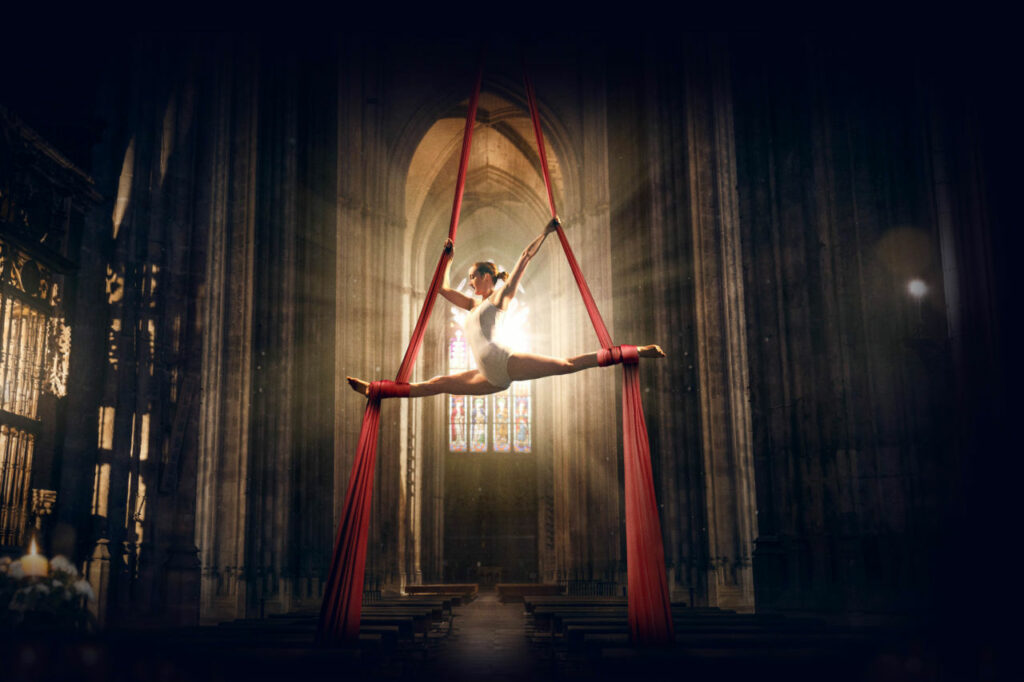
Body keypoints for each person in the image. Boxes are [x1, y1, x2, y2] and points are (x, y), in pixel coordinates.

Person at [347, 218, 665, 398]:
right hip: (487, 377)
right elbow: (442, 290)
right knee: (437, 384)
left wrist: (545, 231)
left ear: (486, 277)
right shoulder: (472, 304)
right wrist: (448, 259)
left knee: (566, 365)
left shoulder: (500, 297)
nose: (470, 284)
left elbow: (524, 258)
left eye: (472, 278)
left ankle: (632, 352)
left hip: (506, 363)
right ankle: (377, 390)